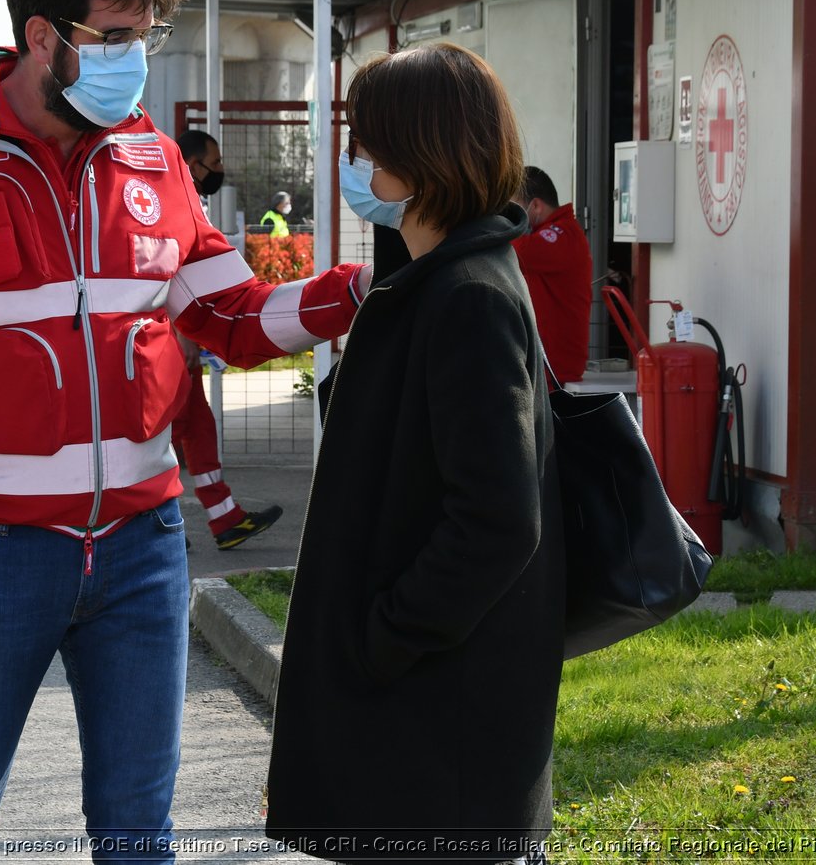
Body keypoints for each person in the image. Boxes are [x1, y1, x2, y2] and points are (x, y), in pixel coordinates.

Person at [0, 0, 370, 863]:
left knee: (137, 829)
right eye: (113, 39)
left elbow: (232, 317)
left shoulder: (153, 157)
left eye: (146, 39)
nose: (135, 62)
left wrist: (359, 291)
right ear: (41, 36)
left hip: (142, 552)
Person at [266, 43, 563, 865]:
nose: (353, 162)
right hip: (427, 709)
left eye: (365, 142)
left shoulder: (466, 298)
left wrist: (385, 635)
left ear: (419, 152)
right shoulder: (437, 278)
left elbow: (499, 520)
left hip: (439, 720)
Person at [174, 128, 285, 549]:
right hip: (174, 334)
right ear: (193, 165)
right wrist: (186, 335)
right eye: (215, 163)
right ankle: (154, 522)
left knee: (197, 428)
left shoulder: (189, 198)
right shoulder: (177, 201)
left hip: (181, 334)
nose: (220, 171)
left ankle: (226, 520)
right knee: (172, 429)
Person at [512, 166, 592, 385]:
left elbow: (516, 251)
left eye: (514, 208)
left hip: (556, 373)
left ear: (535, 205)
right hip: (543, 368)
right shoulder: (557, 235)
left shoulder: (563, 235)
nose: (510, 217)